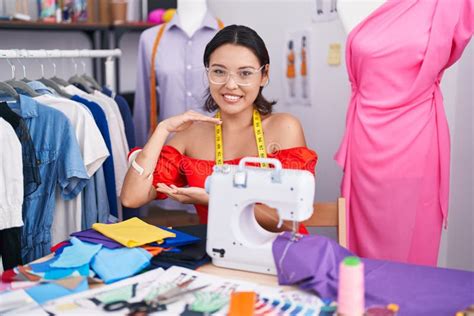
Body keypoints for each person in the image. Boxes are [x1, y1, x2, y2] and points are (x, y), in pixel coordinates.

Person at [121, 25, 318, 233]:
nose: (231, 84)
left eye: (245, 73)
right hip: (220, 255)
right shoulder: (191, 136)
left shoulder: (284, 128)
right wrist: (162, 129)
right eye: (219, 71)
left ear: (264, 75)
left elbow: (290, 220)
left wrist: (216, 199)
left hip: (281, 255)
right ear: (207, 72)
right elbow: (131, 197)